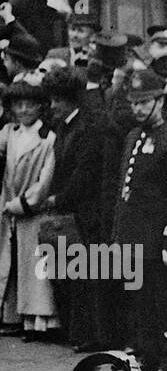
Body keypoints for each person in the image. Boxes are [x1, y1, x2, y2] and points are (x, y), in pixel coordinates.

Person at [110, 68, 167, 371]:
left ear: (160, 101)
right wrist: (118, 234)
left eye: (145, 102)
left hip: (157, 238)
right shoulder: (132, 136)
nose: (138, 108)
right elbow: (123, 191)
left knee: (163, 302)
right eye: (134, 103)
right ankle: (147, 352)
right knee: (139, 298)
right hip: (133, 236)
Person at [40, 66, 105, 350]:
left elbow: (84, 173)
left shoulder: (86, 127)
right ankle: (78, 333)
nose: (53, 105)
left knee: (84, 277)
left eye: (58, 100)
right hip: (71, 211)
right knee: (70, 275)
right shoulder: (65, 127)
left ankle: (88, 335)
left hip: (85, 211)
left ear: (72, 99)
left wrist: (59, 198)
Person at [0, 75, 57, 339]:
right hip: (8, 207)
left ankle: (41, 321)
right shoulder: (8, 134)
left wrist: (21, 204)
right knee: (12, 265)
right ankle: (14, 316)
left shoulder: (47, 137)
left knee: (36, 267)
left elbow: (45, 179)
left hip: (32, 210)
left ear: (40, 107)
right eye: (18, 104)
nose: (23, 110)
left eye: (29, 104)